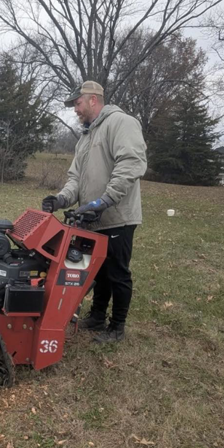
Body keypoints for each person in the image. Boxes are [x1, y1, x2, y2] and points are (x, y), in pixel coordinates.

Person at [42, 81, 147, 343]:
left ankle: (117, 327)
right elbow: (75, 177)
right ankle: (98, 315)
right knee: (96, 271)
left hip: (117, 216)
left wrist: (104, 201)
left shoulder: (121, 123)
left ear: (92, 100)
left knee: (117, 272)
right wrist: (61, 199)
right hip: (92, 219)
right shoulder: (86, 137)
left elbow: (131, 164)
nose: (75, 109)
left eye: (77, 103)